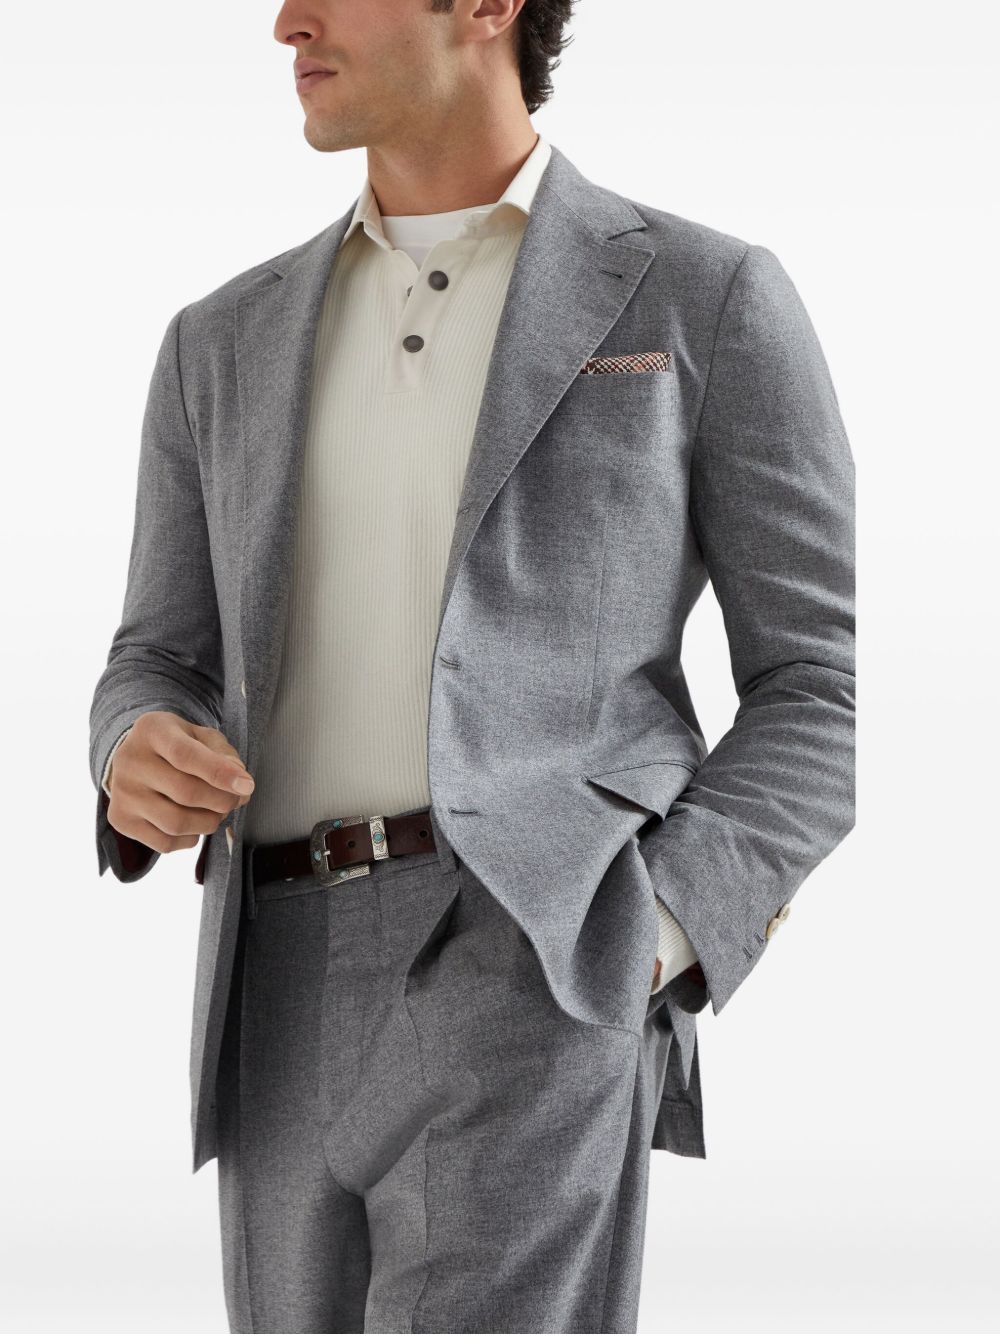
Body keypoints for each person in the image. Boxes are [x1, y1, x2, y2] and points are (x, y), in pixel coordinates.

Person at [88, 2, 855, 1329]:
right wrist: (132, 742)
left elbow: (816, 686)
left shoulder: (703, 296)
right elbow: (156, 652)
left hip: (526, 953)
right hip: (268, 981)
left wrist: (653, 935)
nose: (286, 22)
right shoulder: (217, 340)